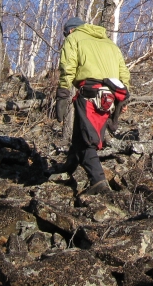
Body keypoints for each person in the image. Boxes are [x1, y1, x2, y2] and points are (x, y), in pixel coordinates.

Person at [55, 17, 130, 195]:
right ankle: (68, 168)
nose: (66, 36)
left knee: (88, 141)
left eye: (66, 34)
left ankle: (98, 182)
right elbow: (124, 74)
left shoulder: (73, 38)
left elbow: (68, 67)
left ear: (70, 30)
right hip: (110, 97)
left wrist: (63, 93)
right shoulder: (110, 44)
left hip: (90, 94)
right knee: (80, 134)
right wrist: (123, 100)